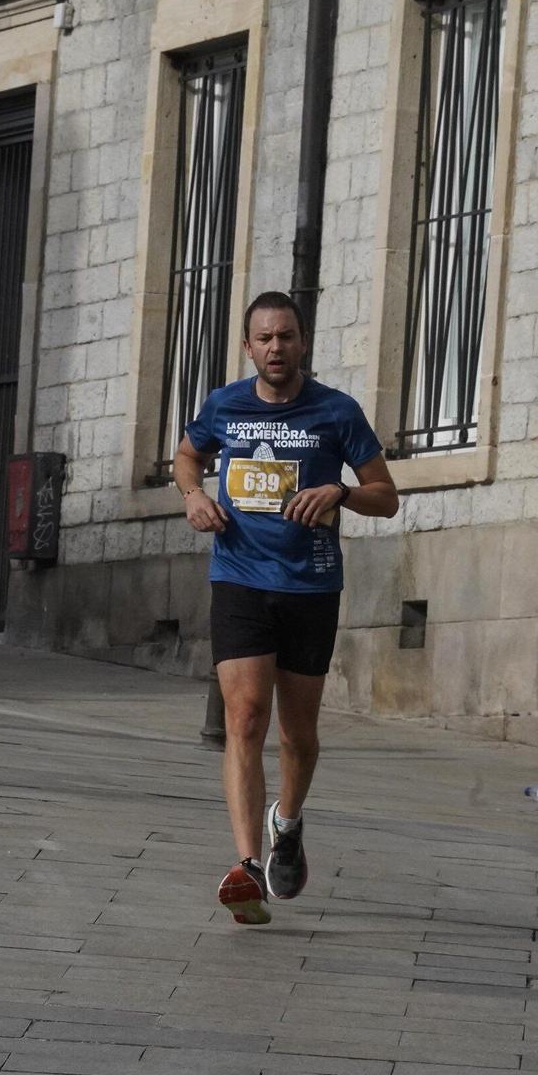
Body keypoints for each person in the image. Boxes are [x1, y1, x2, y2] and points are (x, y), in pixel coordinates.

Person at [172, 291, 399, 926]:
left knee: (297, 733)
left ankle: (288, 823)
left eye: (287, 337)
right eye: (265, 339)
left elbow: (387, 497)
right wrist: (193, 495)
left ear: (303, 343)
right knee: (245, 719)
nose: (276, 348)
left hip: (312, 585)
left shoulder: (336, 411)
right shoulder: (224, 405)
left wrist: (343, 491)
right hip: (240, 578)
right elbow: (187, 456)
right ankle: (247, 865)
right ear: (249, 347)